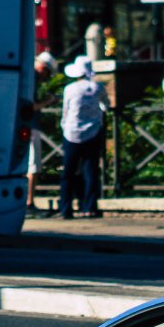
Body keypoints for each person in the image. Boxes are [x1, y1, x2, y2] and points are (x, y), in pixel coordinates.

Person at [56, 55, 109, 219]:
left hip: (71, 132)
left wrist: (64, 126)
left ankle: (66, 208)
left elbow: (65, 111)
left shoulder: (70, 89)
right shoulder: (97, 87)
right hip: (92, 132)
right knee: (90, 170)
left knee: (68, 172)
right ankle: (89, 207)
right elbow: (106, 105)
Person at [27, 52, 58, 212]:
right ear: (43, 68)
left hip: (21, 126)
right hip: (29, 126)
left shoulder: (25, 73)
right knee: (33, 166)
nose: (46, 77)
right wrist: (49, 101)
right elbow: (30, 107)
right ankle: (29, 203)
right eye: (47, 73)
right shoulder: (31, 78)